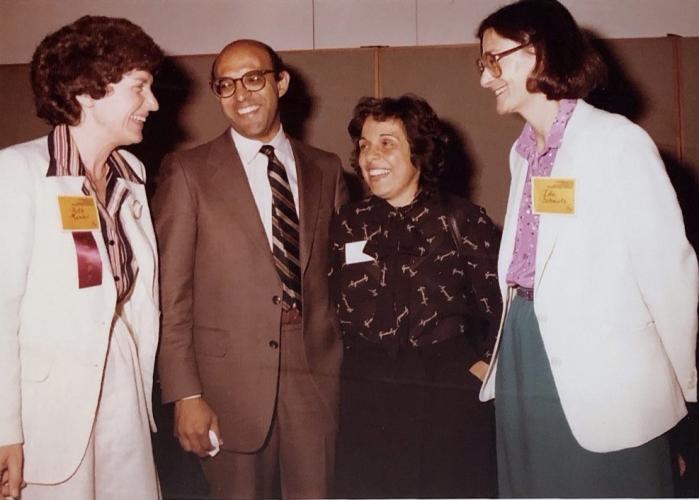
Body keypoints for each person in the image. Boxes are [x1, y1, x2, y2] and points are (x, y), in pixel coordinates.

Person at [475, 0, 699, 497]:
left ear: (538, 53)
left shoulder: (616, 142)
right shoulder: (522, 152)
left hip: (604, 369)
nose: (486, 78)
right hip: (523, 346)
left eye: (494, 60)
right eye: (483, 64)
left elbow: (669, 273)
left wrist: (683, 391)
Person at [152, 39, 348, 499]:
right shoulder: (186, 172)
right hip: (226, 387)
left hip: (315, 376)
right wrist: (185, 395)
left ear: (281, 82)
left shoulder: (327, 169)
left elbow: (341, 281)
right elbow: (170, 296)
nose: (241, 95)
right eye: (226, 85)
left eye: (254, 79)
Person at [0, 15, 163, 500]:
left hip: (122, 385)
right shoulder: (16, 173)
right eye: (140, 88)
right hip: (46, 408)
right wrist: (5, 428)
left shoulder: (130, 172)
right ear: (88, 92)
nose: (152, 104)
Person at [330, 94, 500, 498]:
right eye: (364, 144)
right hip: (368, 393)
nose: (371, 155)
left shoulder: (463, 219)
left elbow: (500, 310)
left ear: (419, 153)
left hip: (445, 394)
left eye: (387, 142)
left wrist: (481, 368)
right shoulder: (348, 224)